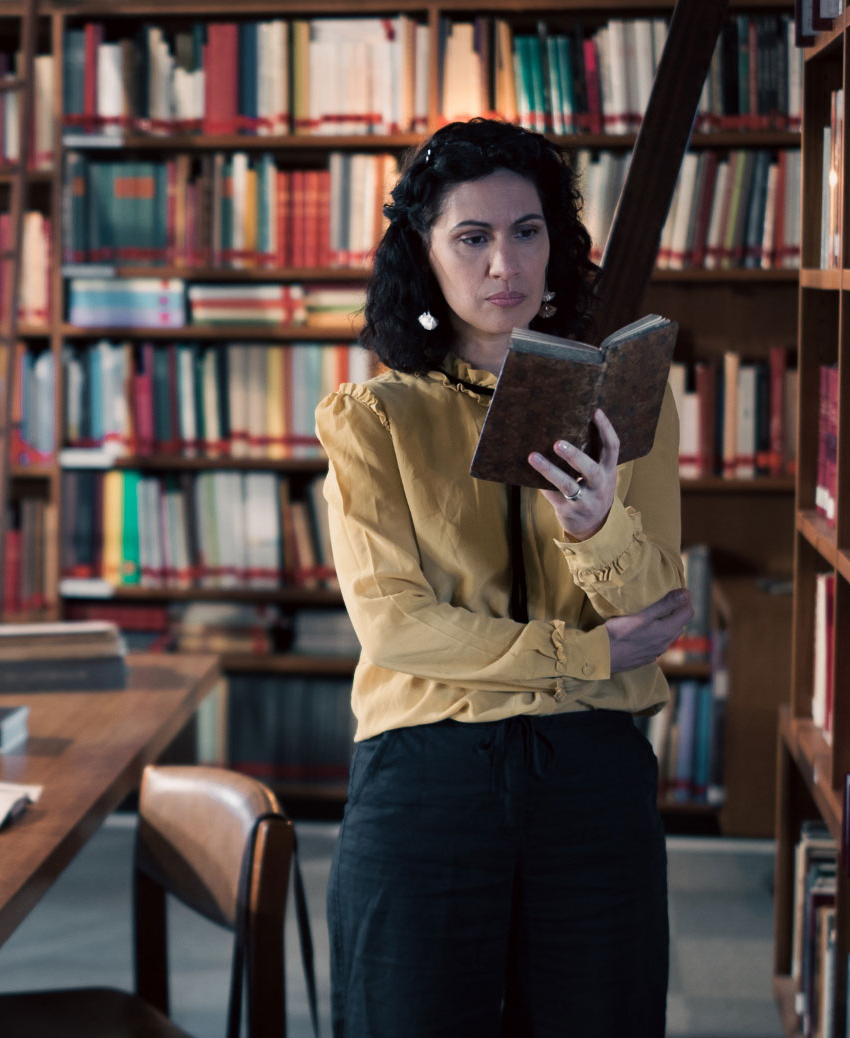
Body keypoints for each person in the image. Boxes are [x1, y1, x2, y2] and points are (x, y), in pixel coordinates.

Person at [316, 118, 694, 1037]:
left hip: (593, 778)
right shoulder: (375, 416)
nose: (503, 266)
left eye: (526, 232)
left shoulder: (627, 399)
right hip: (427, 773)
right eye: (471, 237)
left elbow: (657, 610)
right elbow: (395, 628)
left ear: (556, 244)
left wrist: (596, 524)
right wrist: (585, 653)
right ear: (426, 252)